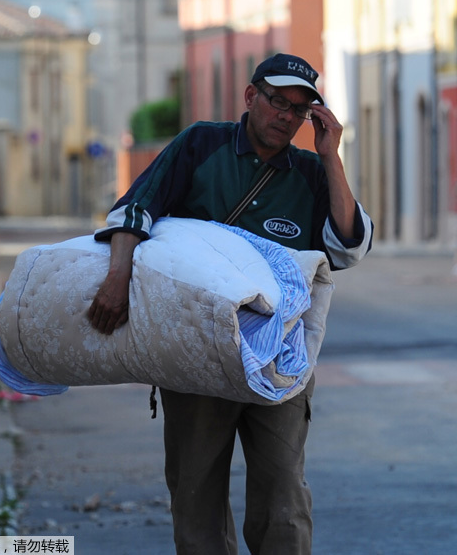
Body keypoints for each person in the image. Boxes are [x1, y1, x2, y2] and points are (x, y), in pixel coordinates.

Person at [87, 53, 373, 553]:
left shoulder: (309, 173)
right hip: (196, 351)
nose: (286, 116)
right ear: (250, 97)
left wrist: (331, 156)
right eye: (278, 102)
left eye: (300, 110)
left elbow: (348, 246)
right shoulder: (201, 143)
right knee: (196, 500)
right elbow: (136, 208)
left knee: (284, 498)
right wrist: (118, 277)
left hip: (278, 358)